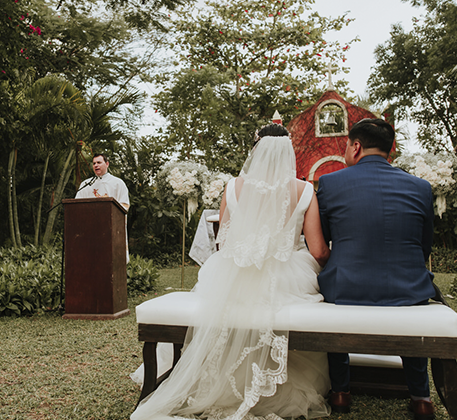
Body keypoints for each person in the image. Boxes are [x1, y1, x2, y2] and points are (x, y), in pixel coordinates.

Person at [131, 124, 332, 420]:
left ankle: (206, 379)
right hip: (288, 274)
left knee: (222, 310)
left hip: (235, 270)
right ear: (288, 152)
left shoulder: (233, 186)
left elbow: (223, 242)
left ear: (256, 151)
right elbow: (317, 251)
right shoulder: (304, 190)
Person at [316, 118, 437, 420]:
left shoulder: (330, 183)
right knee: (413, 305)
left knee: (329, 293)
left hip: (346, 286)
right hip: (409, 286)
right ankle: (421, 397)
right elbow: (425, 246)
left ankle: (341, 391)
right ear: (390, 149)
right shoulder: (421, 187)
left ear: (355, 147)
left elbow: (326, 241)